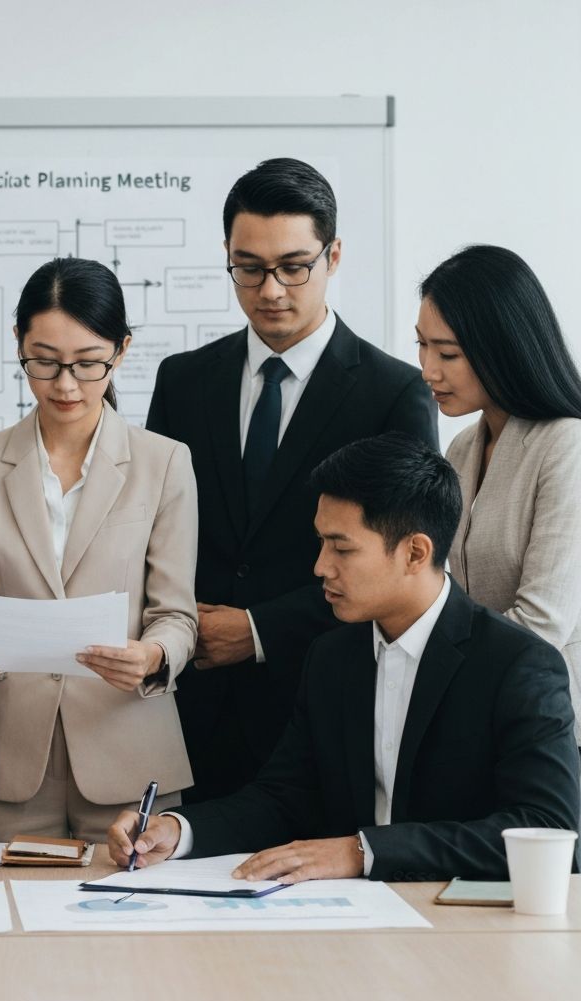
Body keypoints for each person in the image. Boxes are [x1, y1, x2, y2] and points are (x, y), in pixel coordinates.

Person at [108, 434, 580, 882]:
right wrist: (176, 830)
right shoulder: (332, 656)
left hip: (468, 929)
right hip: (350, 923)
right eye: (321, 542)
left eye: (342, 547)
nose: (320, 567)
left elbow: (552, 831)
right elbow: (283, 798)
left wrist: (363, 851)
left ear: (415, 552)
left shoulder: (518, 664)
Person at [146, 157, 438, 802]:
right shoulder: (183, 380)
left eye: (293, 267)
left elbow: (401, 570)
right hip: (190, 712)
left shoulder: (394, 394)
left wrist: (255, 631)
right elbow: (155, 534)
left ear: (333, 256)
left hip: (322, 705)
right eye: (248, 268)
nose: (271, 290)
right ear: (227, 255)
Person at [0, 257, 198, 842]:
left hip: (129, 755)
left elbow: (177, 615)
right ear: (18, 345)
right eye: (44, 363)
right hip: (6, 762)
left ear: (122, 351)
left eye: (88, 364)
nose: (65, 385)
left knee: (132, 929)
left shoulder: (164, 463)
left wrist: (152, 656)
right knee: (4, 922)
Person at [417, 244, 581, 744]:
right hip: (484, 722)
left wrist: (429, 670)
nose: (428, 370)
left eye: (447, 354)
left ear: (502, 346)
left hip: (553, 728)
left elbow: (542, 625)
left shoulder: (567, 445)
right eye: (421, 346)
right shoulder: (463, 447)